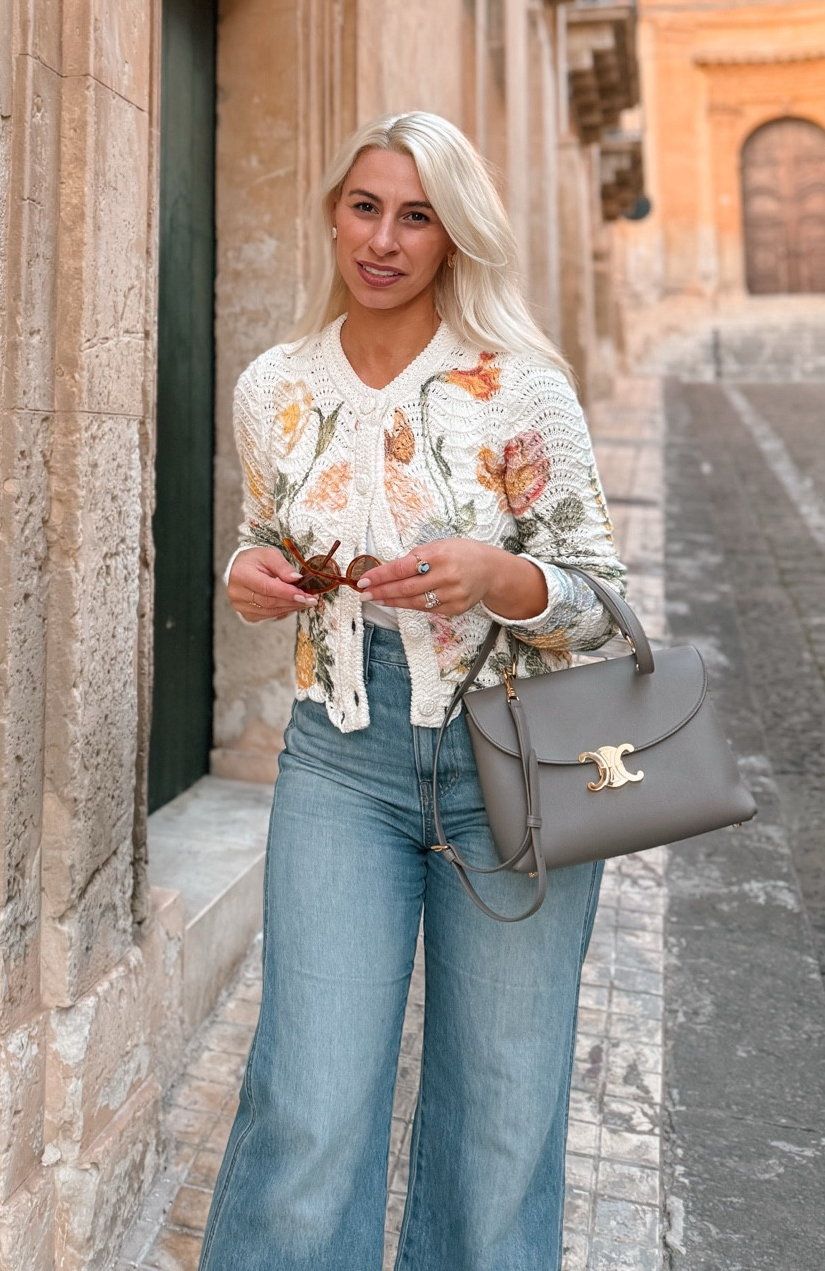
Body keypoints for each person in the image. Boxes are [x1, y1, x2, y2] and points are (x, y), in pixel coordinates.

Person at [198, 111, 626, 1271]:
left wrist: (501, 575)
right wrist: (243, 574)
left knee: (499, 1118)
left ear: (453, 237)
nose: (383, 238)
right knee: (312, 1103)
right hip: (342, 757)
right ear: (334, 213)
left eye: (416, 215)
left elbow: (605, 599)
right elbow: (254, 535)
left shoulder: (518, 389)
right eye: (365, 206)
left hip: (518, 766)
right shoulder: (275, 385)